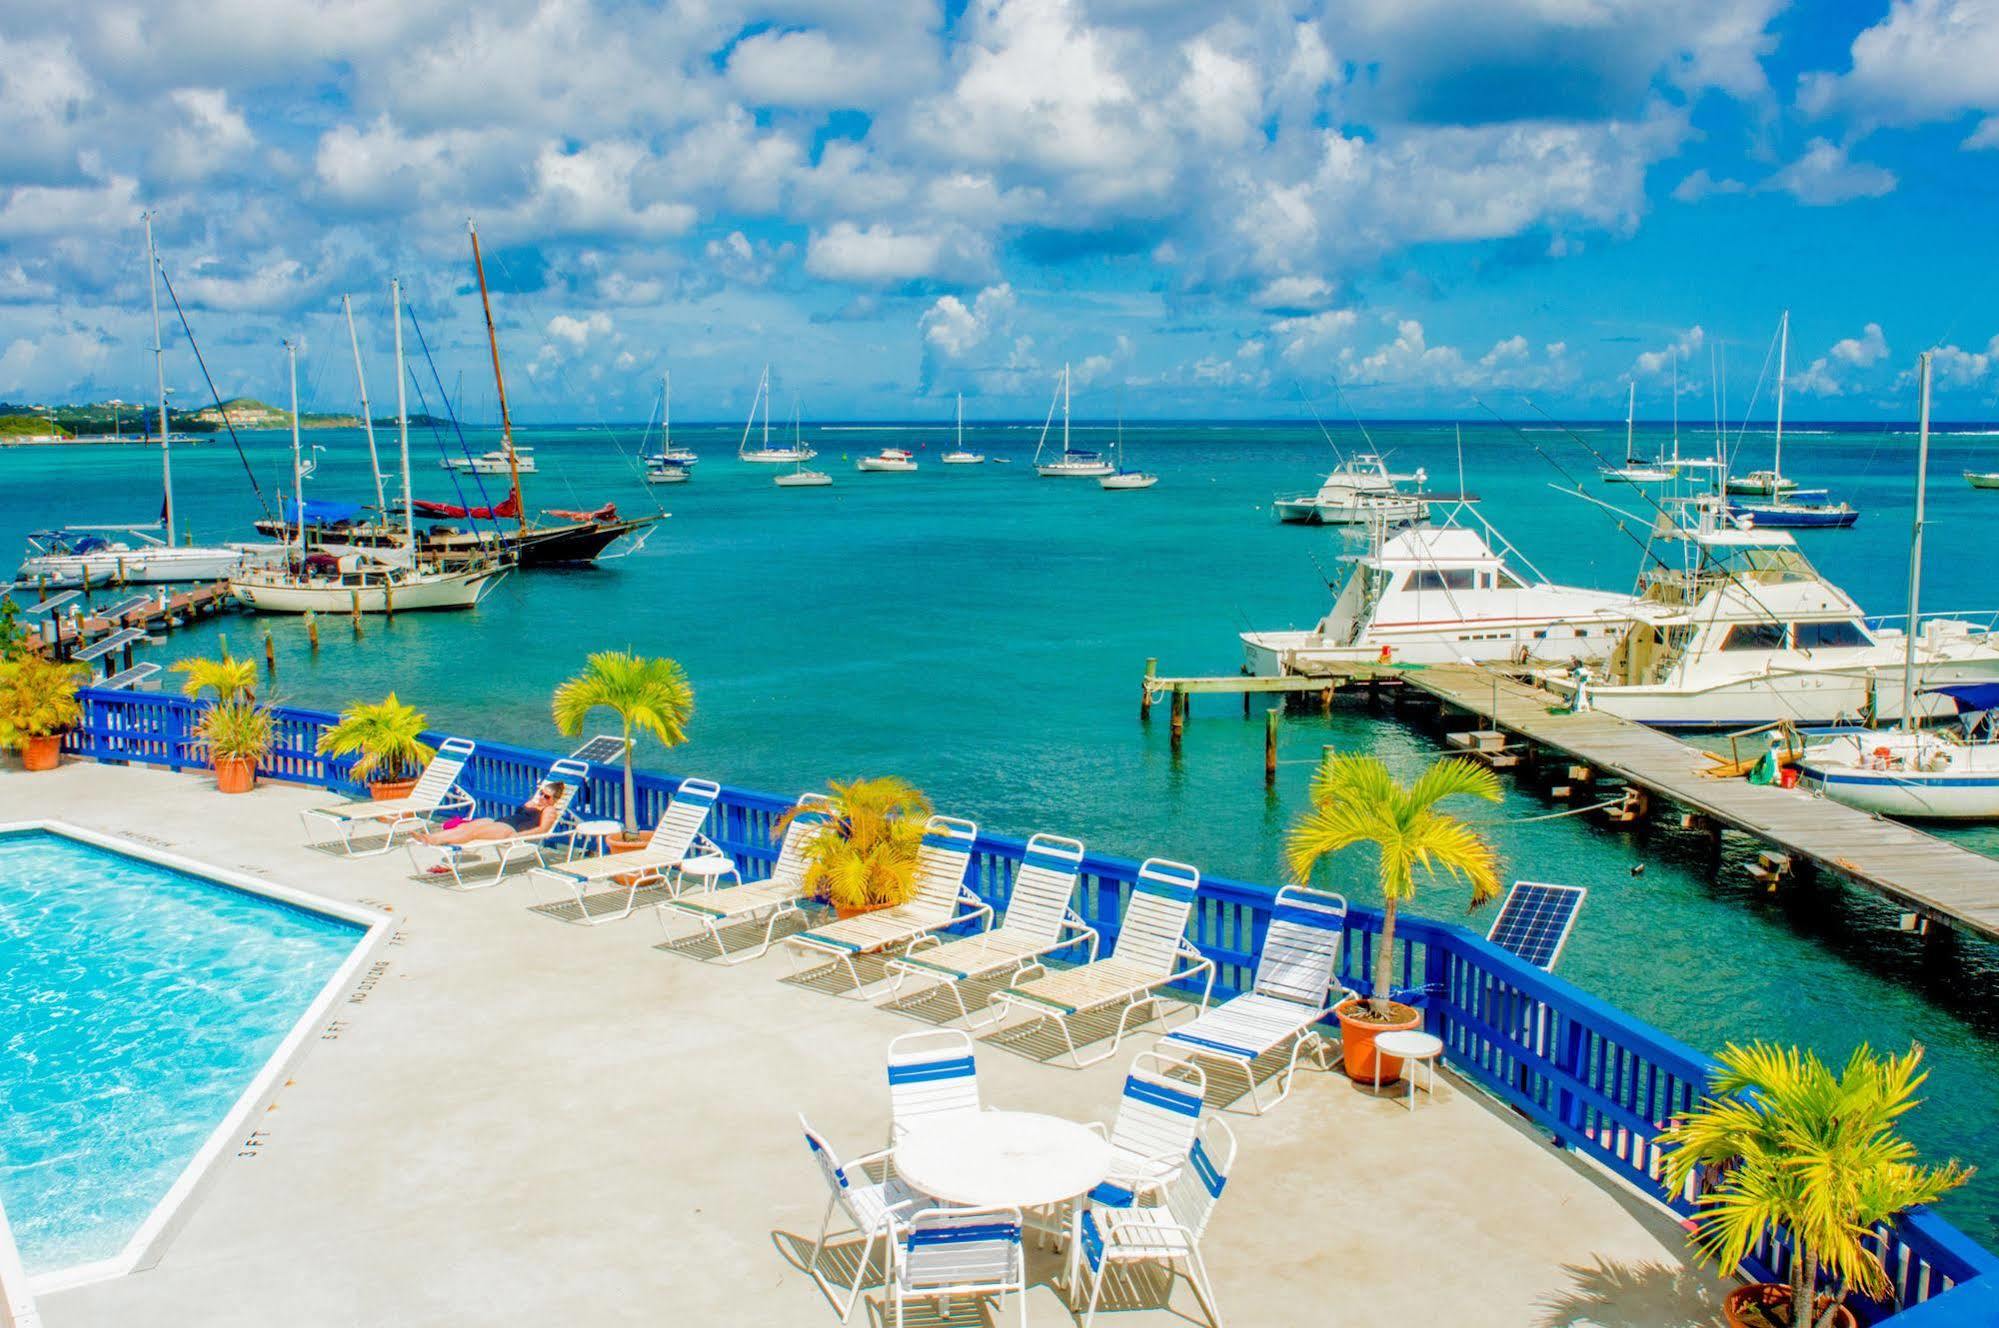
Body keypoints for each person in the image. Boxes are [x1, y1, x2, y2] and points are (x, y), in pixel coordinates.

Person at [415, 782, 567, 849]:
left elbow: (543, 830)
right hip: (499, 822)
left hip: (510, 829)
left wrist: (517, 836)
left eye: (546, 797)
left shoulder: (549, 811)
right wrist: (533, 803)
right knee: (465, 827)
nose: (541, 797)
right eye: (541, 793)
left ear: (554, 800)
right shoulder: (535, 803)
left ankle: (434, 840)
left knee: (472, 833)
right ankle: (432, 837)